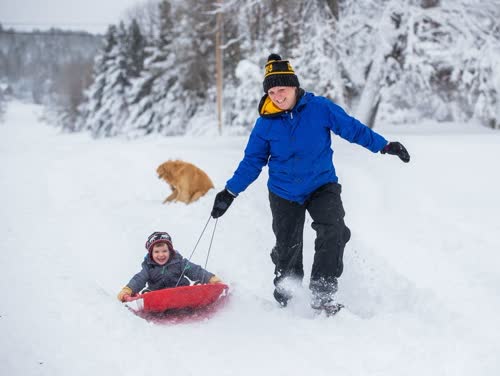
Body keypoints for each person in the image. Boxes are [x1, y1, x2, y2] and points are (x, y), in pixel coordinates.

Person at [211, 53, 410, 314]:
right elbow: (252, 162)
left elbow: (352, 128)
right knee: (288, 248)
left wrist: (383, 145)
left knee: (334, 230)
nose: (278, 97)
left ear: (294, 86)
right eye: (272, 92)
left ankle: (323, 293)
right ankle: (287, 294)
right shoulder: (265, 124)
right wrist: (230, 192)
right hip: (283, 192)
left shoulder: (319, 108)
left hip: (321, 184)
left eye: (282, 89)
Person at [117, 231, 222, 302]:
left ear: (170, 251)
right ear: (151, 254)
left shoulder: (179, 263)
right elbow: (138, 279)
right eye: (156, 252)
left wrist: (211, 279)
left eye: (164, 251)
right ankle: (145, 299)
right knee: (146, 294)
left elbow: (195, 270)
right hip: (158, 297)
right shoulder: (149, 268)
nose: (161, 255)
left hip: (181, 293)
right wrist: (127, 291)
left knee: (197, 285)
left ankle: (199, 292)